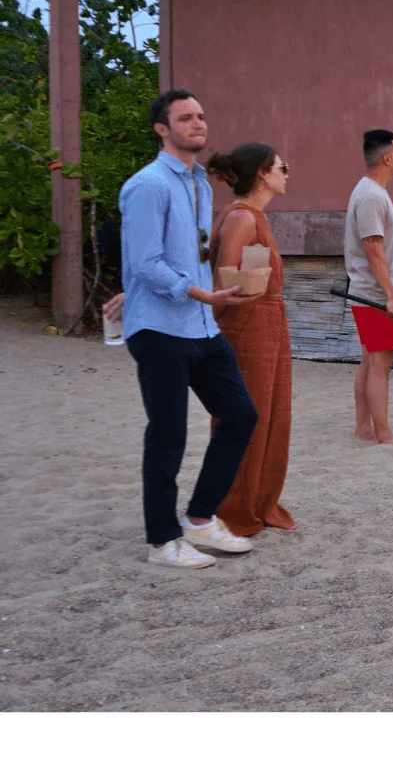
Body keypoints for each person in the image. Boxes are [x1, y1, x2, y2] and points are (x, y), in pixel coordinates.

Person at [116, 90, 260, 568]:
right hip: (159, 329)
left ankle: (200, 519)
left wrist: (209, 295)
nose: (198, 123)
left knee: (240, 415)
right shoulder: (149, 184)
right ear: (162, 129)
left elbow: (189, 253)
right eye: (185, 118)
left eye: (201, 115)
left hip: (199, 327)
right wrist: (203, 295)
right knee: (169, 434)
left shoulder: (199, 181)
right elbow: (146, 263)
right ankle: (161, 541)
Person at [204, 142, 297, 537]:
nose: (287, 173)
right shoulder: (242, 217)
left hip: (267, 322)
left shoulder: (255, 216)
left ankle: (259, 500)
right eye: (282, 166)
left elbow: (247, 271)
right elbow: (224, 281)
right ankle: (233, 507)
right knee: (247, 416)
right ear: (262, 173)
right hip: (247, 326)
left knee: (273, 415)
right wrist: (247, 294)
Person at [345, 129, 393, 445]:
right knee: (381, 363)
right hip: (375, 296)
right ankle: (383, 432)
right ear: (386, 157)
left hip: (371, 292)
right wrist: (391, 296)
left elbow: (379, 248)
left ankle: (364, 428)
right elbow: (373, 248)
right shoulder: (371, 195)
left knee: (371, 360)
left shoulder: (371, 192)